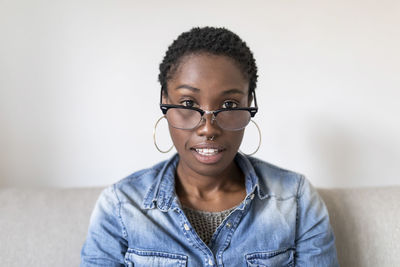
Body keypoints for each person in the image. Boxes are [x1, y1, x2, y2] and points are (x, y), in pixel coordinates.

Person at [80, 27, 339, 266]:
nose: (208, 128)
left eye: (228, 105)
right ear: (165, 100)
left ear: (249, 103)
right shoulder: (121, 206)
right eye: (189, 104)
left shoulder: (295, 199)